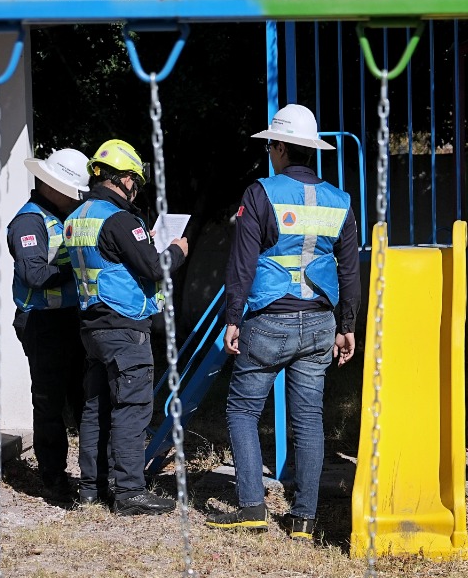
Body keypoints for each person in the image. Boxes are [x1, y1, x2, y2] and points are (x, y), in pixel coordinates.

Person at [205, 104, 360, 541]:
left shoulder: (260, 193)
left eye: (270, 145)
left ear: (277, 147)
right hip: (319, 323)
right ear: (310, 150)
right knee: (308, 418)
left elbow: (242, 261)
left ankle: (252, 507)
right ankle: (304, 520)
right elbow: (350, 270)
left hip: (268, 320)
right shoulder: (341, 200)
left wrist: (232, 317)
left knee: (241, 410)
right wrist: (347, 324)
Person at [64, 138, 189, 515]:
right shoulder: (118, 219)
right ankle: (131, 492)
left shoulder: (77, 217)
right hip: (124, 327)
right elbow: (154, 268)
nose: (136, 188)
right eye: (134, 180)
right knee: (131, 408)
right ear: (121, 179)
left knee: (96, 408)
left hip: (92, 326)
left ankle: (91, 488)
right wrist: (178, 251)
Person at [7, 147, 90, 505]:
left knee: (85, 400)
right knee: (50, 404)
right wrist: (84, 268)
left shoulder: (64, 216)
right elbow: (34, 273)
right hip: (43, 323)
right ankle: (54, 479)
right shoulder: (30, 221)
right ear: (51, 185)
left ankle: (92, 479)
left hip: (72, 319)